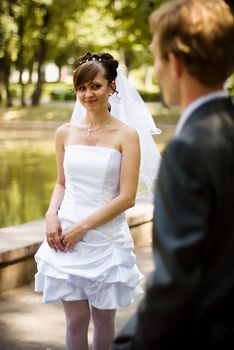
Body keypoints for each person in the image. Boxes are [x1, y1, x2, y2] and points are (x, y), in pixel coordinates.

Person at [123, 0, 234, 349]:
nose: (155, 70)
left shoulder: (187, 150)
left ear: (174, 61)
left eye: (156, 57)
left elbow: (176, 284)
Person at [34, 52, 161, 350]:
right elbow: (61, 183)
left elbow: (127, 197)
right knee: (75, 321)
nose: (88, 94)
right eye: (81, 88)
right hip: (64, 235)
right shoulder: (64, 133)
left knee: (103, 319)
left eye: (96, 86)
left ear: (112, 87)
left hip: (104, 237)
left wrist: (82, 227)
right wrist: (51, 215)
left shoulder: (127, 135)